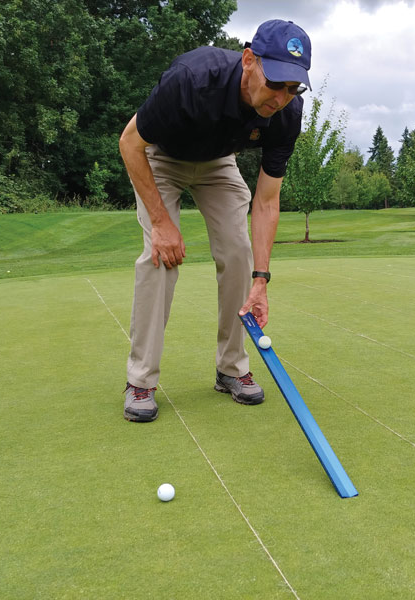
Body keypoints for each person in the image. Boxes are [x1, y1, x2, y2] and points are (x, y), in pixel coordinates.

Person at [118, 19, 312, 422]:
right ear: (248, 60)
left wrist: (262, 280)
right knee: (161, 257)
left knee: (240, 253)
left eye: (292, 88)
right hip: (161, 156)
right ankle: (140, 379)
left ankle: (231, 368)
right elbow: (130, 142)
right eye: (275, 82)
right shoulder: (192, 79)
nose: (280, 97)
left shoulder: (287, 113)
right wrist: (161, 223)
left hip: (218, 163)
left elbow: (267, 200)